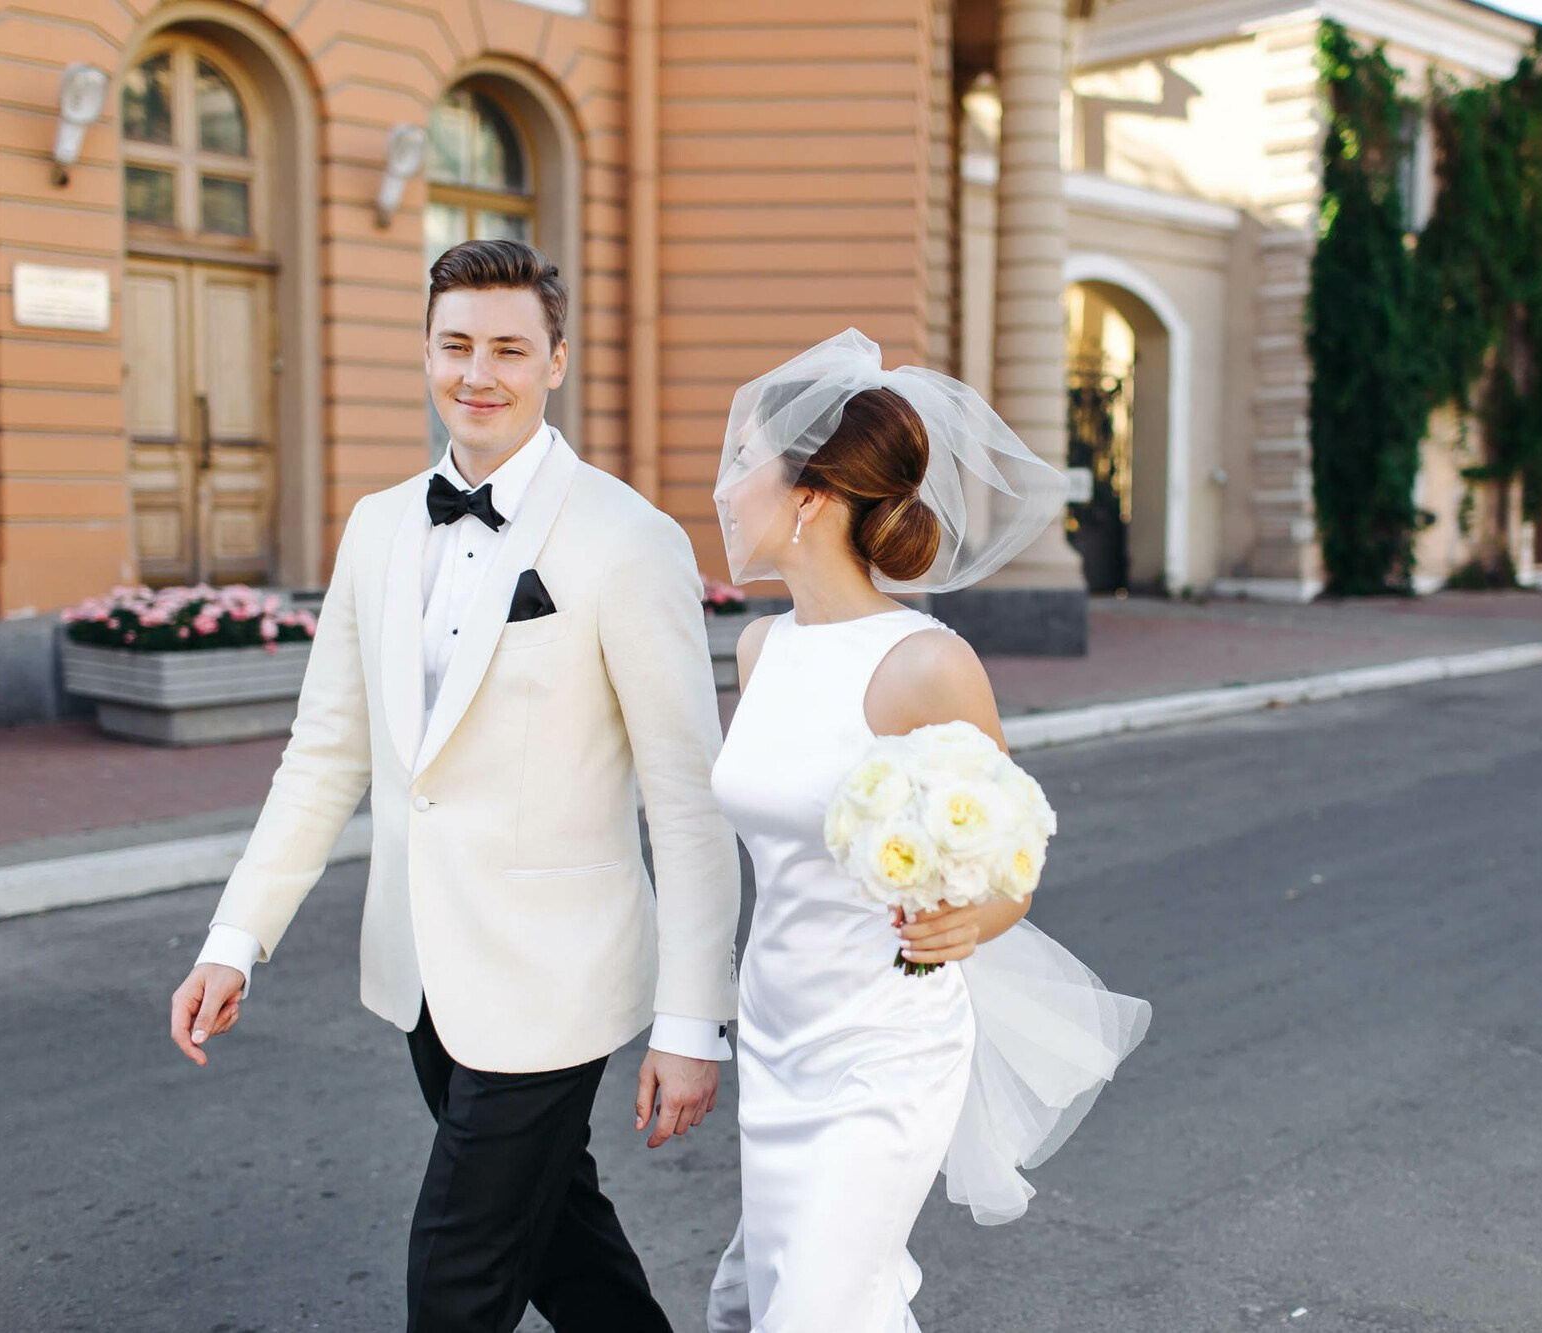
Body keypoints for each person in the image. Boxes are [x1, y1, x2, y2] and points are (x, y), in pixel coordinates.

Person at [166, 238, 740, 1333]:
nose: (478, 373)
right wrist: (234, 939)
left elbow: (685, 798)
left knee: (457, 1273)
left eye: (509, 349)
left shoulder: (628, 538)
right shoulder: (379, 525)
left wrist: (691, 1020)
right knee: (560, 1242)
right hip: (424, 969)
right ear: (427, 352)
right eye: (455, 345)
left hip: (557, 974)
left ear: (555, 360)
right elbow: (325, 751)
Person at [704, 330, 1152, 1332]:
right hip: (776, 1027)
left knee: (816, 1311)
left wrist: (969, 923)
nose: (721, 488)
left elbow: (1012, 861)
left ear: (809, 496)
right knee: (797, 1295)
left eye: (739, 464)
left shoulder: (925, 663)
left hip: (883, 1042)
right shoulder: (756, 647)